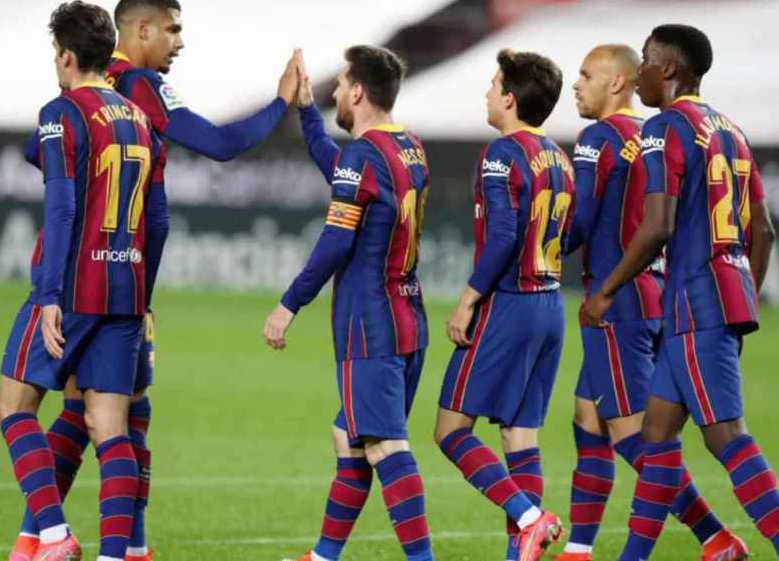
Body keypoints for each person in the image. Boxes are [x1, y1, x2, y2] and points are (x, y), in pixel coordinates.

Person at [11, 0, 300, 560]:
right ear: (138, 30)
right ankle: (124, 548)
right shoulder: (139, 89)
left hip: (75, 270)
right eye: (172, 30)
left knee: (77, 407)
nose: (180, 41)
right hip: (119, 279)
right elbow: (218, 145)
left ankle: (36, 537)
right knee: (123, 417)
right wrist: (280, 103)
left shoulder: (84, 90)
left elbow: (36, 150)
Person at [582, 24, 779, 561]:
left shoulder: (665, 127)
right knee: (658, 434)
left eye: (644, 60)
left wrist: (607, 290)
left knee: (725, 436)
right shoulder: (731, 130)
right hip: (722, 295)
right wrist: (745, 302)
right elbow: (766, 232)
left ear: (667, 69)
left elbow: (657, 224)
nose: (638, 71)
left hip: (694, 297)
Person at [555, 44, 746, 561]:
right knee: (587, 418)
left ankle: (714, 535)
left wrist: (541, 250)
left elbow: (586, 216)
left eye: (586, 74)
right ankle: (578, 547)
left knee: (633, 436)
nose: (576, 84)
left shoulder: (598, 137)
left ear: (615, 83)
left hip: (617, 303)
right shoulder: (650, 134)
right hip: (655, 293)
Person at [0, 0, 161, 561]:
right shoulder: (140, 118)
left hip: (71, 290)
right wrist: (144, 295)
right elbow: (157, 221)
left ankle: (53, 535)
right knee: (110, 429)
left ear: (65, 56)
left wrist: (47, 297)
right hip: (126, 292)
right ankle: (117, 555)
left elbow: (61, 210)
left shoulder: (62, 112)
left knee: (14, 407)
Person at [264, 45, 434, 561]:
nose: (335, 92)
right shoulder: (409, 147)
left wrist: (289, 304)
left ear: (358, 91)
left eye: (339, 85)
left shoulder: (365, 155)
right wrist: (304, 109)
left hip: (370, 322)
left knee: (384, 446)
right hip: (409, 316)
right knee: (349, 438)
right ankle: (323, 555)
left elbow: (336, 242)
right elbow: (338, 166)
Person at [434, 49, 569, 561]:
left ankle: (533, 518)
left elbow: (504, 234)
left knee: (450, 432)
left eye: (493, 85)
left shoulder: (501, 153)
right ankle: (522, 555)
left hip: (508, 305)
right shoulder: (557, 155)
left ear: (510, 99)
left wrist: (467, 301)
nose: (488, 93)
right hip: (550, 304)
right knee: (519, 434)